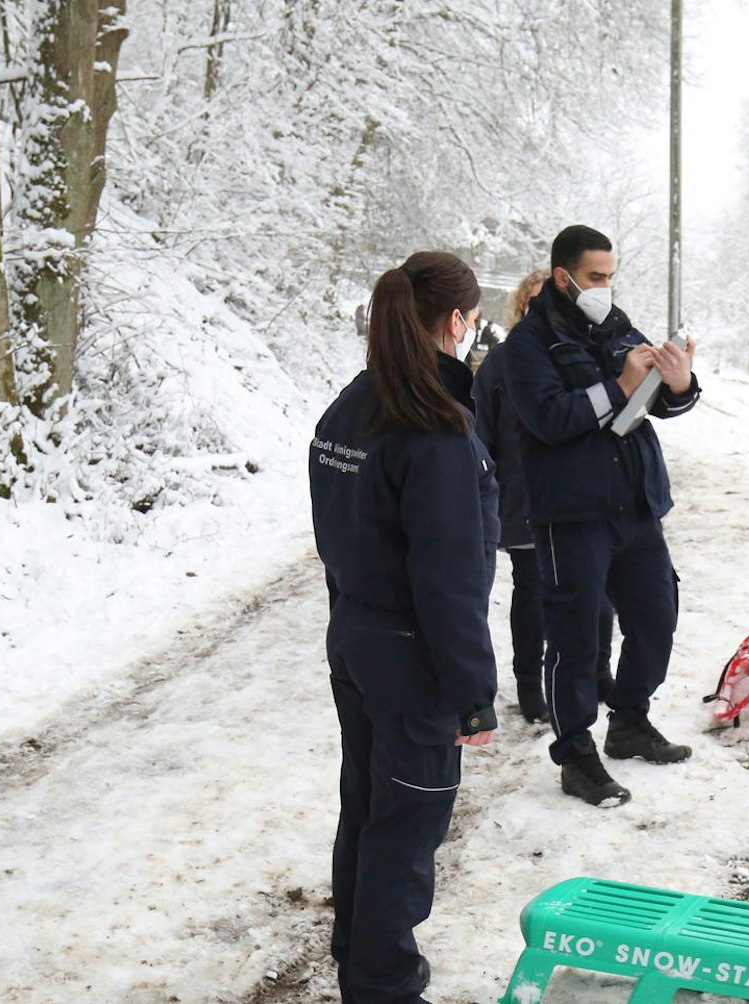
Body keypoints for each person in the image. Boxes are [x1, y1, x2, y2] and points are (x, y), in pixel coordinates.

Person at [310, 250, 500, 1004]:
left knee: (367, 804)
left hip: (355, 640)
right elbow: (449, 578)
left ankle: (360, 955)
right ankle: (383, 983)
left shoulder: (348, 409)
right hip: (413, 657)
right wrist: (472, 691)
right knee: (406, 824)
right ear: (457, 322)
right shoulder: (433, 431)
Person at [504, 225, 700, 807]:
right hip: (572, 514)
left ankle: (630, 720)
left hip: (636, 506)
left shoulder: (616, 326)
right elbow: (550, 420)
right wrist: (620, 384)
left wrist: (679, 381)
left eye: (611, 276)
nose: (605, 287)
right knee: (574, 638)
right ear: (563, 276)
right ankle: (576, 754)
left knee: (656, 616)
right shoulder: (527, 347)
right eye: (595, 277)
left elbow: (665, 402)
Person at [473, 270, 617, 726]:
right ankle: (530, 685)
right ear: (522, 308)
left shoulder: (584, 353)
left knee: (599, 592)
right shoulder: (503, 363)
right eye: (536, 302)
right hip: (527, 502)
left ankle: (599, 672)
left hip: (588, 498)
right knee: (533, 594)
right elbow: (480, 436)